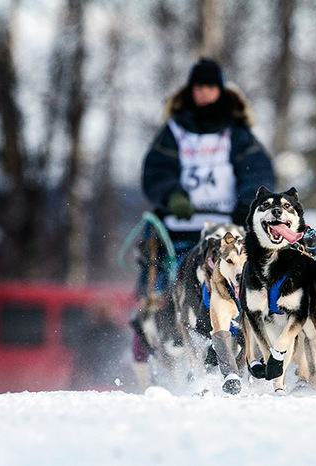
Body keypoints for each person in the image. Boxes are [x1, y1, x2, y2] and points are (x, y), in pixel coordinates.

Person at [132, 58, 276, 386]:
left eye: (210, 87)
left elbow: (257, 172)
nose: (204, 93)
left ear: (220, 90)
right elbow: (156, 171)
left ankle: (248, 346)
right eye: (199, 87)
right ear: (191, 90)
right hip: (177, 226)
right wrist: (171, 195)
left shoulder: (237, 134)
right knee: (160, 289)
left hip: (227, 228)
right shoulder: (174, 131)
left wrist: (246, 203)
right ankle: (158, 347)